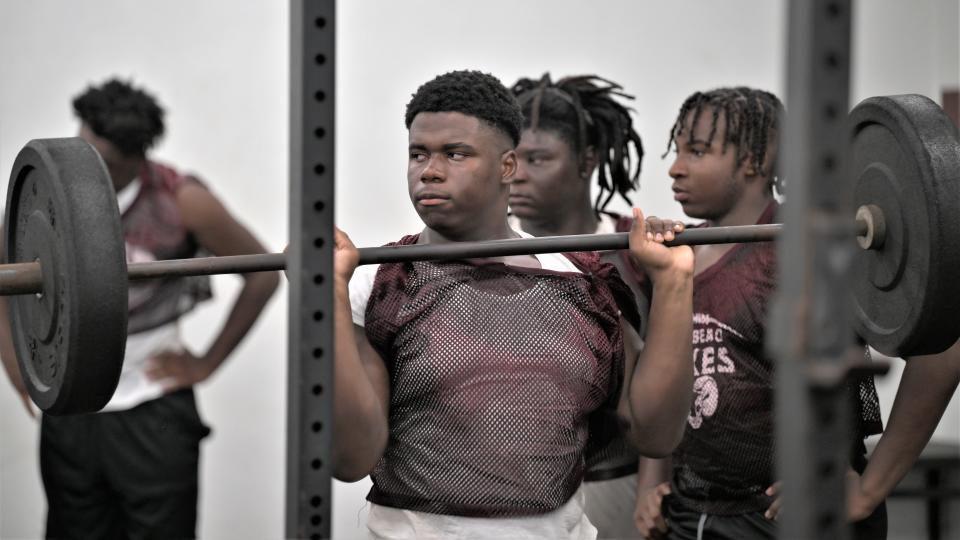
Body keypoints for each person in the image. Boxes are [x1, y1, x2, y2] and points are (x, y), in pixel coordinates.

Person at [331, 70, 695, 539]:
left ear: (507, 167)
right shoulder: (380, 285)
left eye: (455, 154)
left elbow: (655, 434)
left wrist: (673, 284)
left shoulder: (581, 282)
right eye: (418, 154)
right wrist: (330, 301)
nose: (430, 171)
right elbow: (350, 458)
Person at [0, 78, 280, 539]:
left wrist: (206, 364)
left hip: (152, 410)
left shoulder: (181, 200)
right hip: (71, 410)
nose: (84, 166)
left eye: (102, 161)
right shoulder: (47, 197)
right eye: (81, 146)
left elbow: (264, 273)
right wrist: (21, 375)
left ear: (136, 158)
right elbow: (8, 280)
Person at [631, 87, 887, 540]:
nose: (675, 168)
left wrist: (867, 486)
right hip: (690, 514)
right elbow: (665, 376)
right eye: (679, 150)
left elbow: (942, 351)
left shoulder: (807, 247)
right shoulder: (674, 259)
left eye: (698, 151)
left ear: (754, 158)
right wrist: (653, 484)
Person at [508, 73, 662, 539]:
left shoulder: (636, 252)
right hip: (518, 496)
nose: (518, 175)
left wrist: (655, 485)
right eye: (512, 159)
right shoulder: (492, 252)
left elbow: (668, 374)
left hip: (619, 485)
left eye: (538, 159)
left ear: (587, 160)